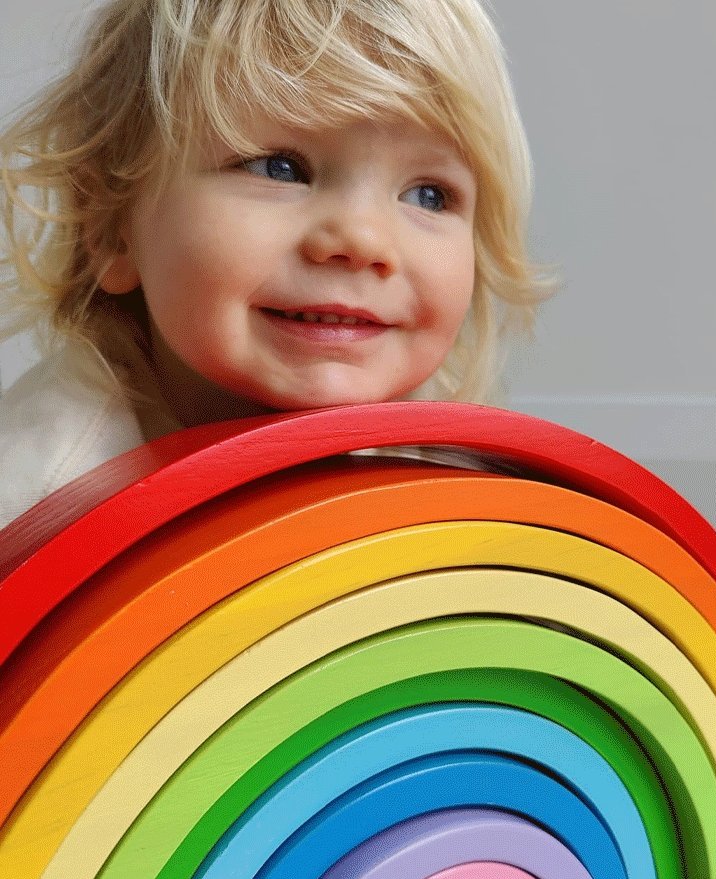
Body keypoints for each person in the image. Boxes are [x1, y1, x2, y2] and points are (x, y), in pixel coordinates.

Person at [0, 0, 557, 529]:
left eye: (428, 195)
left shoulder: (456, 487)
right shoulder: (39, 493)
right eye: (280, 168)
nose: (363, 240)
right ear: (109, 224)